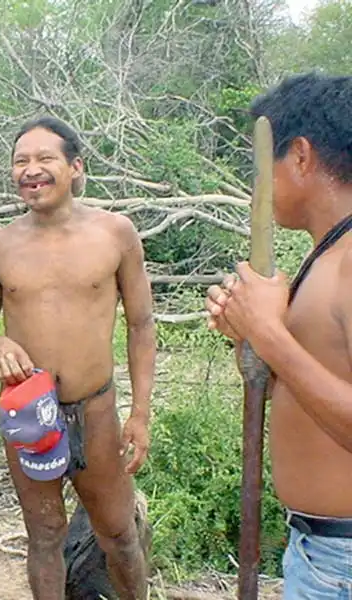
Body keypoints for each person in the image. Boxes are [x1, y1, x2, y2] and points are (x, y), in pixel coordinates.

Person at [0, 115, 155, 600]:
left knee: (118, 533)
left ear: (75, 167)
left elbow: (140, 324)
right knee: (45, 535)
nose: (31, 170)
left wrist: (140, 413)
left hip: (96, 410)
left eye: (44, 159)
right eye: (20, 161)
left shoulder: (116, 233)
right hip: (29, 414)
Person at [206, 73, 352, 598]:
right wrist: (248, 339)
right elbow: (297, 388)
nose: (258, 184)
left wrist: (271, 335)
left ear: (301, 157)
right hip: (319, 551)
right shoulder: (326, 256)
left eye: (262, 165)